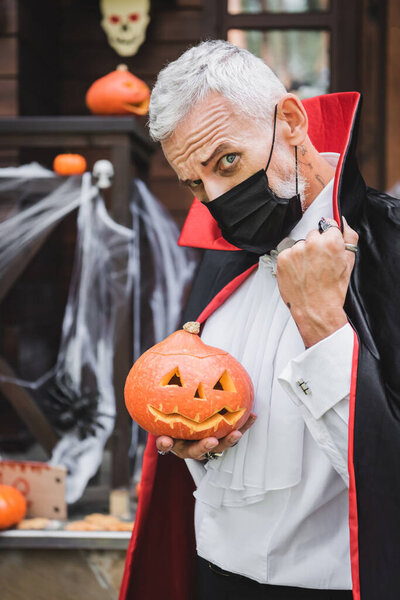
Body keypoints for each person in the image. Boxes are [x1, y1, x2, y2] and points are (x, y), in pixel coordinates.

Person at [119, 41, 400, 600]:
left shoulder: (391, 251)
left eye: (227, 161)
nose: (218, 200)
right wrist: (195, 445)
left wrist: (322, 323)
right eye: (195, 185)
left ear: (291, 122)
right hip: (210, 577)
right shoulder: (220, 261)